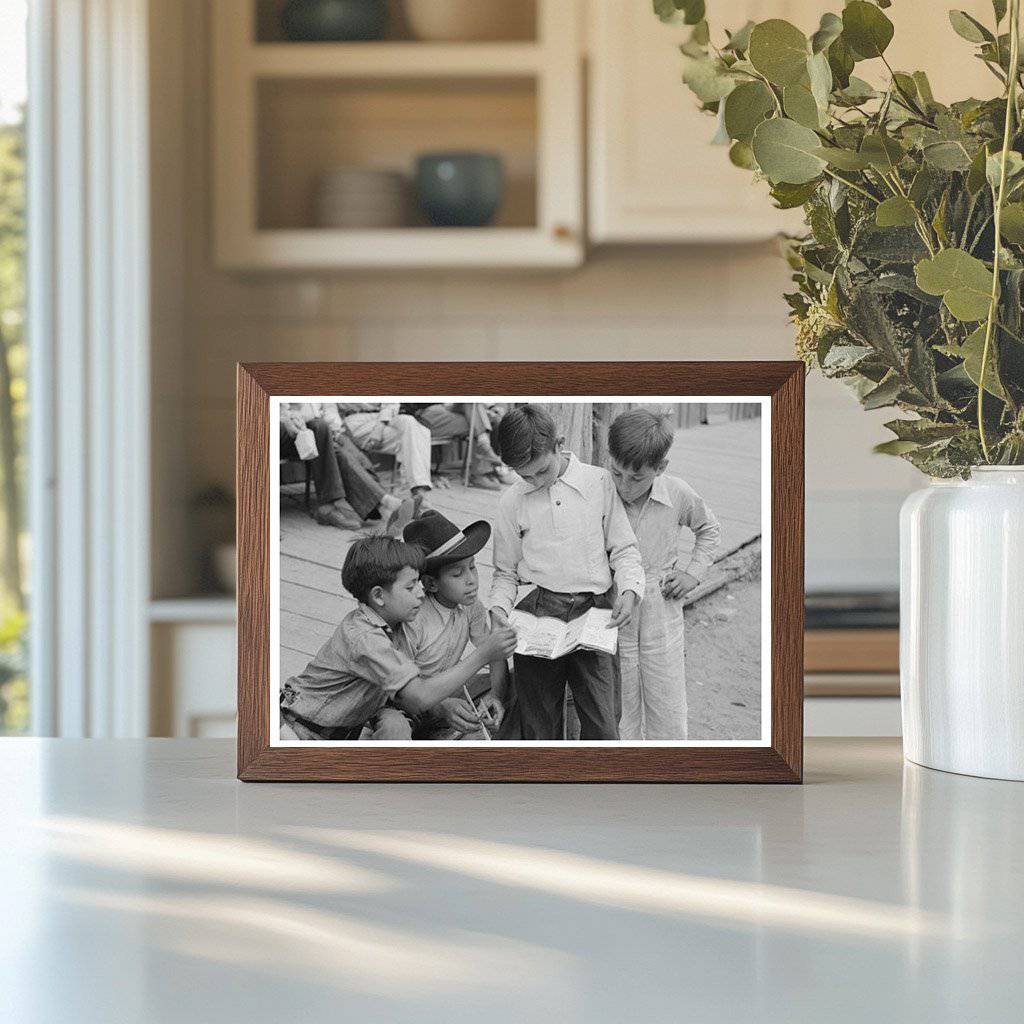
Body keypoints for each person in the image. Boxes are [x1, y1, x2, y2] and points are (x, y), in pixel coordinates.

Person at [488, 405, 645, 740]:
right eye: (523, 475)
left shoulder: (599, 482)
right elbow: (504, 573)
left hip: (595, 611)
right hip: (537, 613)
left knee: (603, 724)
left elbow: (625, 550)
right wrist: (498, 611)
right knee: (538, 722)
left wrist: (630, 591)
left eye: (541, 471)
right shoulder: (511, 501)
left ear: (558, 445)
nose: (533, 481)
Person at [279, 536, 517, 741]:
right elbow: (416, 698)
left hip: (330, 732)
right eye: (411, 587)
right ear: (379, 596)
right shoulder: (365, 637)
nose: (421, 593)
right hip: (296, 730)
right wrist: (483, 655)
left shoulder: (388, 625)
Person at [607, 408, 722, 740]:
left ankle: (669, 768)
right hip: (615, 607)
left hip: (662, 606)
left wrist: (692, 574)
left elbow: (710, 530)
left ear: (660, 468)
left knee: (667, 702)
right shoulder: (601, 492)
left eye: (637, 478)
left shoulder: (677, 493)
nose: (625, 486)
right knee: (620, 707)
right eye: (617, 473)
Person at [402, 510, 510, 738]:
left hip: (450, 692)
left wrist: (497, 696)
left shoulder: (470, 605)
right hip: (410, 706)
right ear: (431, 584)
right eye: (457, 574)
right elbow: (401, 691)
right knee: (396, 724)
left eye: (472, 566)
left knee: (522, 679)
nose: (471, 579)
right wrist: (440, 706)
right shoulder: (413, 618)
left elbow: (495, 653)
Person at [335, 402, 433, 507]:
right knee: (414, 435)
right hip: (355, 421)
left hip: (384, 418)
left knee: (411, 424)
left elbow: (391, 403)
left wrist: (379, 428)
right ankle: (413, 495)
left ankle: (418, 492)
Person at [407, 403, 512, 490]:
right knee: (476, 416)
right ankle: (484, 467)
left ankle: (488, 467)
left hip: (454, 412)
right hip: (427, 416)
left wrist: (490, 409)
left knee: (480, 416)